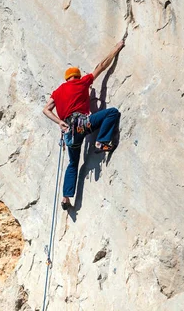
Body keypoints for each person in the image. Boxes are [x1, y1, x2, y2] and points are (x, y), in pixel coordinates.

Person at [43, 40, 125, 210]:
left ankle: (66, 198)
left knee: (73, 164)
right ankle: (101, 141)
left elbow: (46, 109)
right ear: (78, 77)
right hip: (83, 124)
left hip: (69, 132)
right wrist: (116, 48)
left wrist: (59, 122)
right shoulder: (81, 83)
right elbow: (101, 66)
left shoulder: (58, 91)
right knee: (112, 112)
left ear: (67, 79)